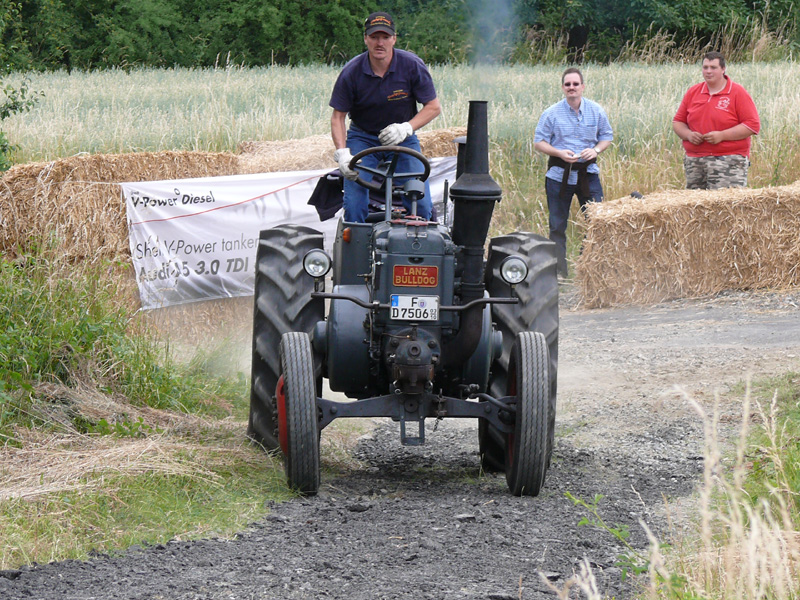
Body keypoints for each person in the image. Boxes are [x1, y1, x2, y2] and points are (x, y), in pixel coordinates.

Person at [330, 11, 441, 223]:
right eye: (374, 37)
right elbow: (338, 117)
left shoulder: (411, 65)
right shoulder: (351, 72)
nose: (379, 43)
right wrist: (343, 154)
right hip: (362, 137)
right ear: (365, 39)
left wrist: (406, 128)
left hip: (404, 139)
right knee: (353, 202)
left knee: (421, 201)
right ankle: (356, 245)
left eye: (385, 37)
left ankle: (415, 246)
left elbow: (433, 107)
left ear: (394, 39)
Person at [534, 67, 613, 278]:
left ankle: (588, 268)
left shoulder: (596, 111)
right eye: (568, 84)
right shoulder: (551, 113)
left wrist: (595, 150)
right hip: (559, 176)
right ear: (563, 88)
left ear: (583, 87)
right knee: (557, 226)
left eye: (575, 84)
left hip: (588, 174)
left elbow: (607, 137)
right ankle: (559, 272)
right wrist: (558, 152)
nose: (572, 88)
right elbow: (539, 142)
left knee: (598, 222)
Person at [672, 51, 760, 190]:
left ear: (723, 69)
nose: (708, 71)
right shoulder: (693, 92)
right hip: (695, 160)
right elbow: (678, 122)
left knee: (725, 207)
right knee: (695, 207)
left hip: (728, 160)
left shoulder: (737, 92)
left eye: (713, 67)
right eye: (705, 67)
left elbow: (752, 125)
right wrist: (688, 135)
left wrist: (722, 136)